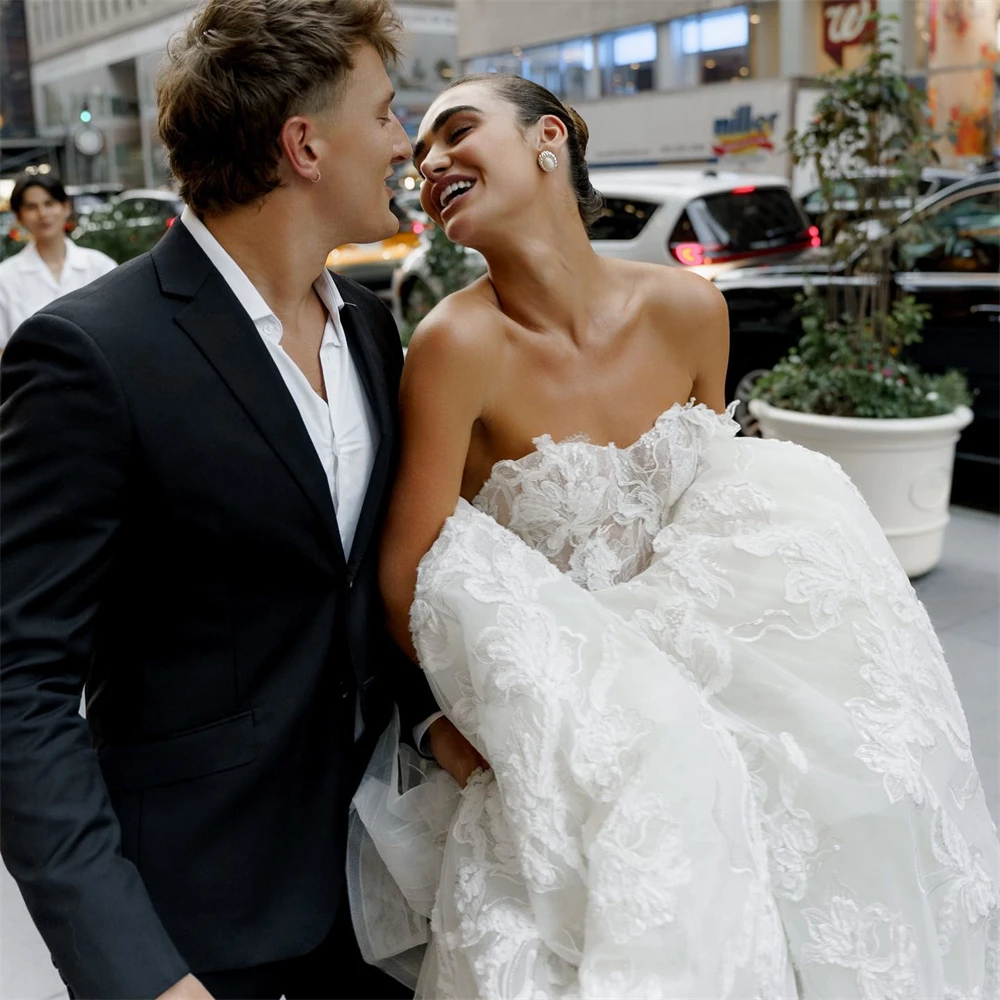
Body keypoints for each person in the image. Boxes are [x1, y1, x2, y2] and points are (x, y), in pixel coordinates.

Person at [351, 74, 1000, 997]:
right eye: (418, 155)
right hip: (576, 731)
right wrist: (465, 731)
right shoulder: (456, 345)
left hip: (724, 687)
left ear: (549, 138)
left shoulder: (692, 307)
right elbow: (406, 576)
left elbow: (716, 507)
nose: (430, 162)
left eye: (456, 132)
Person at [0, 1, 461, 997]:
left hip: (381, 894)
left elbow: (361, 594)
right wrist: (133, 969)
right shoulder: (91, 354)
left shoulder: (374, 331)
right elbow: (21, 684)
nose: (402, 139)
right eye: (383, 113)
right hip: (195, 928)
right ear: (303, 144)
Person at [0, 173, 116, 349]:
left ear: (66, 207)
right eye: (32, 207)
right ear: (19, 217)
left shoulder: (101, 267)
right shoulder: (5, 278)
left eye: (49, 203)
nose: (42, 214)